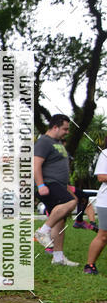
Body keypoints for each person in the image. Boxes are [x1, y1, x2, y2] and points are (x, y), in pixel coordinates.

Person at [33, 115, 78, 266]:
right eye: (65, 128)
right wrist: (40, 185)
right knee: (72, 202)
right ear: (55, 127)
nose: (67, 132)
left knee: (60, 219)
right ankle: (43, 230)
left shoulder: (57, 142)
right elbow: (36, 164)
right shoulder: (44, 142)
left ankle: (58, 257)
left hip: (59, 184)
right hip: (48, 184)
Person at [84, 137, 107, 274]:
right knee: (103, 235)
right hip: (106, 202)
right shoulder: (105, 153)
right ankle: (89, 266)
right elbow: (101, 177)